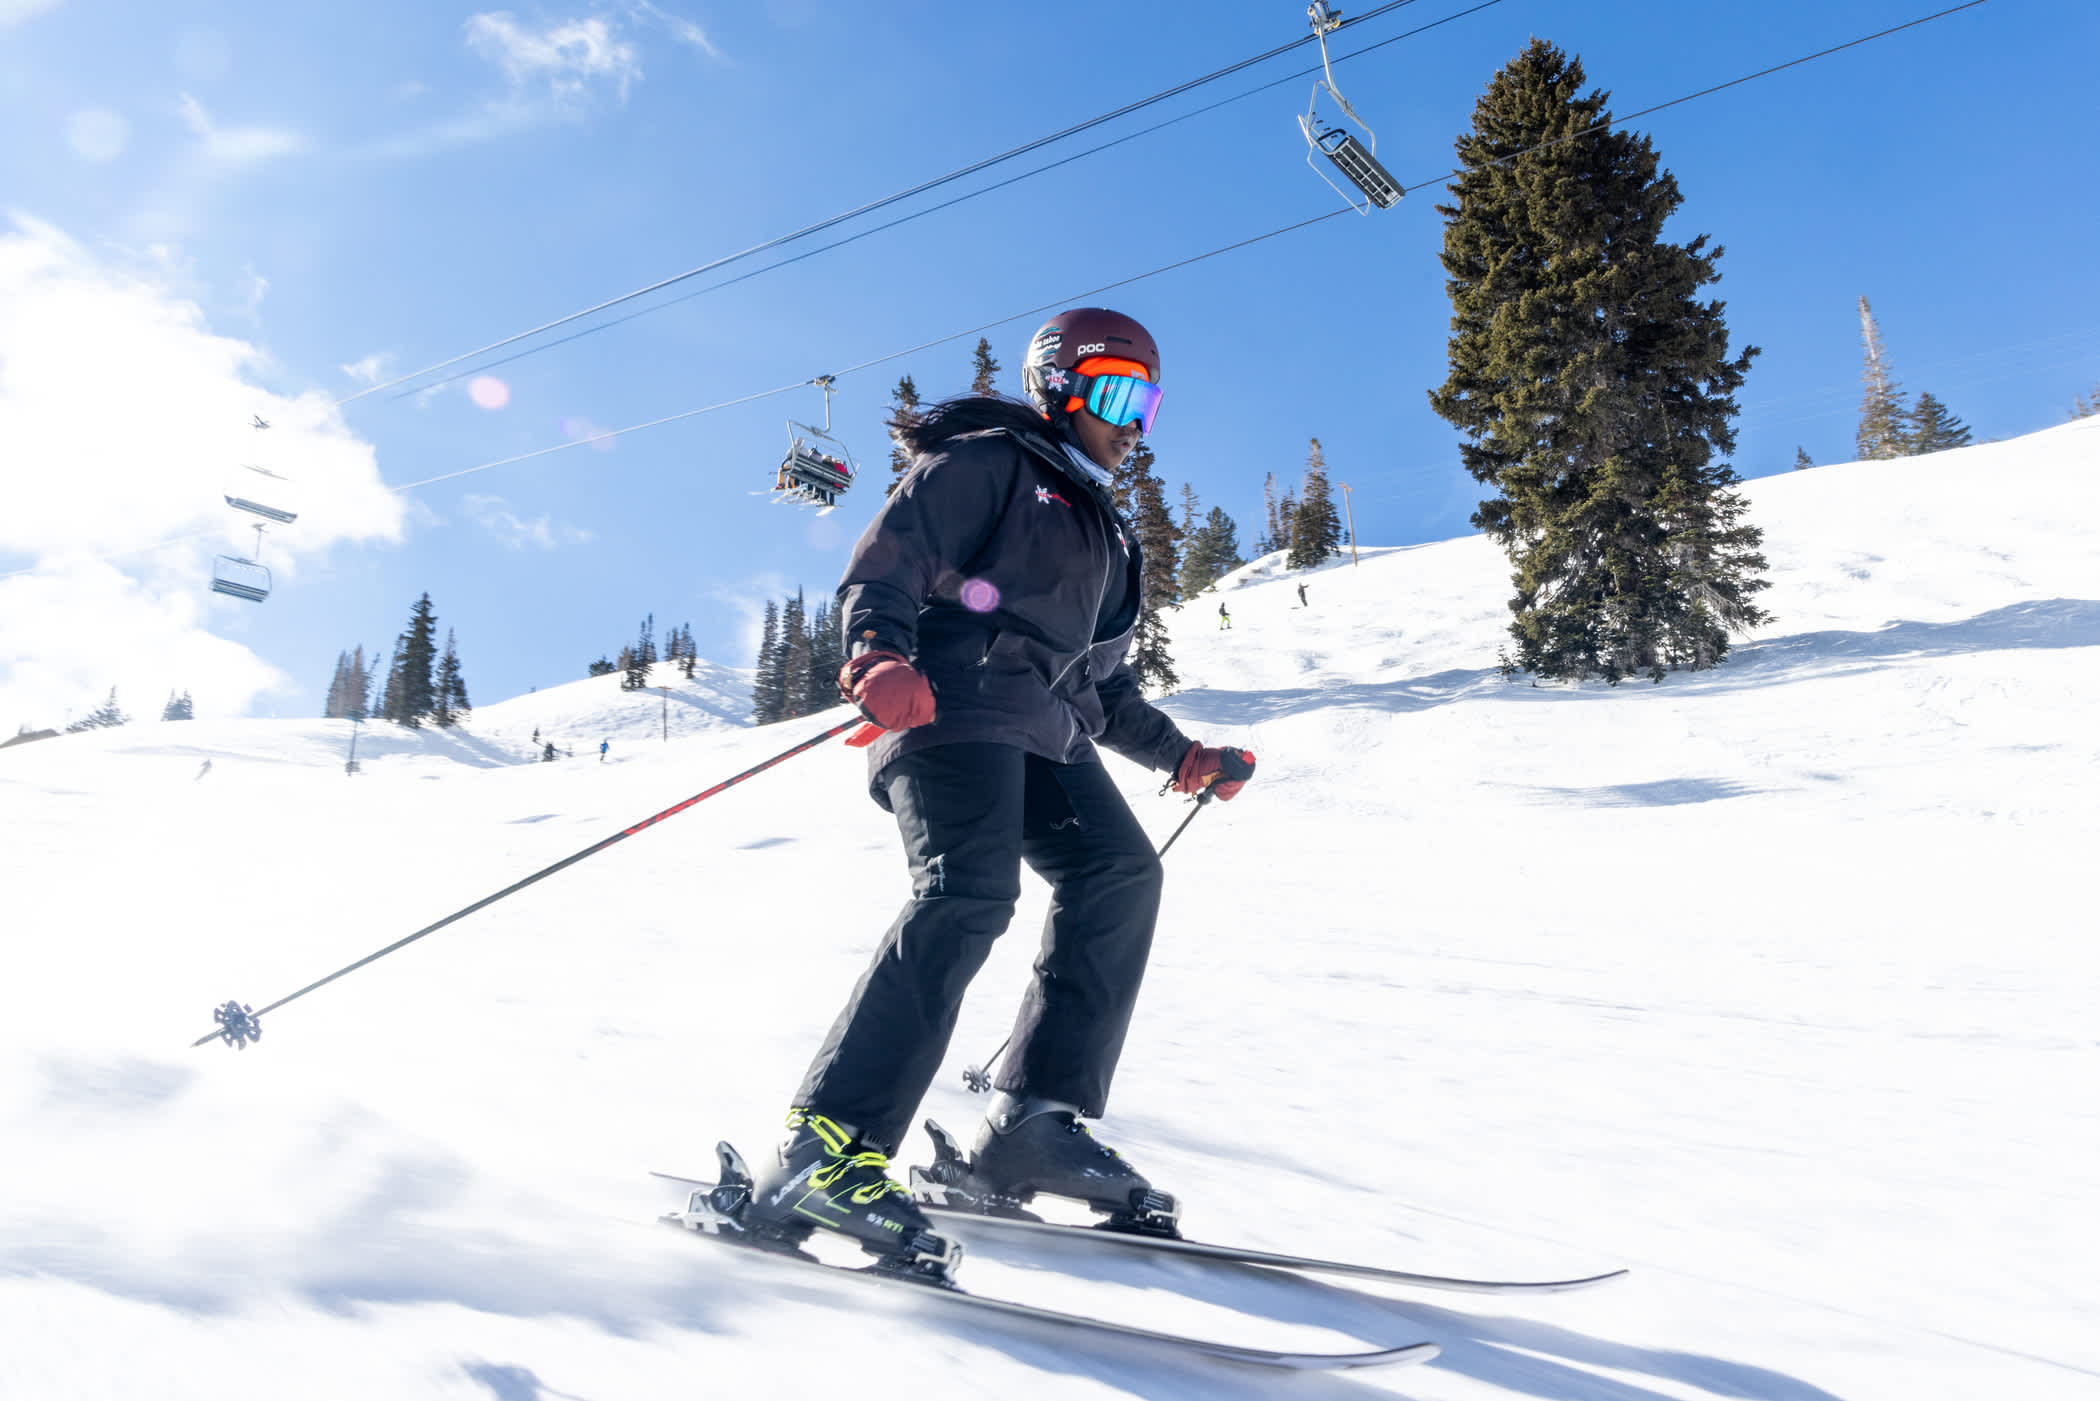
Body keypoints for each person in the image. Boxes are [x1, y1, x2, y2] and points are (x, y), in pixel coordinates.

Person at [744, 308, 1256, 1267]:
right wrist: (875, 654)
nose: (1130, 420)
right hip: (947, 705)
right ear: (1057, 386)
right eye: (1113, 393)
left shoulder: (1104, 528)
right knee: (970, 891)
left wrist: (1181, 755)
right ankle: (825, 1144)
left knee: (1120, 875)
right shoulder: (989, 464)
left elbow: (1102, 686)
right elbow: (889, 560)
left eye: (1145, 401)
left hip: (1049, 734)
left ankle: (1030, 1123)